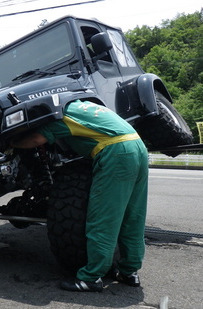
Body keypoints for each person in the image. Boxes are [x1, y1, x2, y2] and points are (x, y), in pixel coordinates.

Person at [11, 99, 148, 292]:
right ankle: (129, 271)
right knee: (132, 215)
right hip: (137, 147)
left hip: (116, 153)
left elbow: (36, 140)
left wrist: (12, 143)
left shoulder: (59, 116)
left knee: (103, 217)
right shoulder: (81, 105)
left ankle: (92, 277)